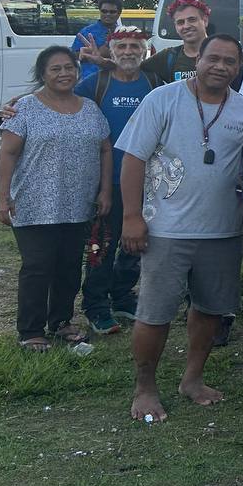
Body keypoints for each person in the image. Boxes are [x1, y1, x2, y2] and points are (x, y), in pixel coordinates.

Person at [118, 34, 243, 422]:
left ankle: (192, 379)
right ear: (198, 59)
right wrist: (132, 217)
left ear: (238, 68)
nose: (221, 66)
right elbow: (133, 159)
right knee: (154, 313)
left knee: (210, 311)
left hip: (223, 231)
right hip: (166, 230)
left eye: (230, 61)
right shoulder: (162, 100)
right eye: (214, 58)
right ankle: (145, 387)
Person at [0, 47, 111, 351]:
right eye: (55, 69)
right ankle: (31, 330)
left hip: (77, 204)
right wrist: (3, 197)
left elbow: (104, 148)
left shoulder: (90, 108)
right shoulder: (24, 108)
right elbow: (8, 154)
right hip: (33, 204)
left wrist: (105, 190)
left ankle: (61, 322)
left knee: (69, 266)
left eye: (69, 68)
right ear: (42, 74)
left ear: (77, 71)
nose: (64, 74)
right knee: (38, 266)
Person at [75, 26, 162, 335]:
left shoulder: (154, 84)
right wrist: (17, 105)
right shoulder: (96, 84)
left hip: (147, 180)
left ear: (144, 51)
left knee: (136, 242)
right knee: (103, 244)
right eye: (121, 46)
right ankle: (96, 305)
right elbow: (58, 97)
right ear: (111, 52)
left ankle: (123, 296)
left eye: (134, 46)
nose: (128, 51)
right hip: (108, 181)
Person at [142, 0, 211, 83]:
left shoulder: (223, 53)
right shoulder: (168, 57)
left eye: (192, 20)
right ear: (175, 27)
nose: (186, 26)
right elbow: (134, 69)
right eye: (180, 22)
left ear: (205, 21)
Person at [71, 0, 123, 83]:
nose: (108, 14)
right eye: (104, 11)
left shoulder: (124, 33)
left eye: (112, 12)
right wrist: (94, 53)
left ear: (119, 13)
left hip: (116, 80)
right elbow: (73, 55)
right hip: (90, 80)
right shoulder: (87, 32)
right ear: (100, 11)